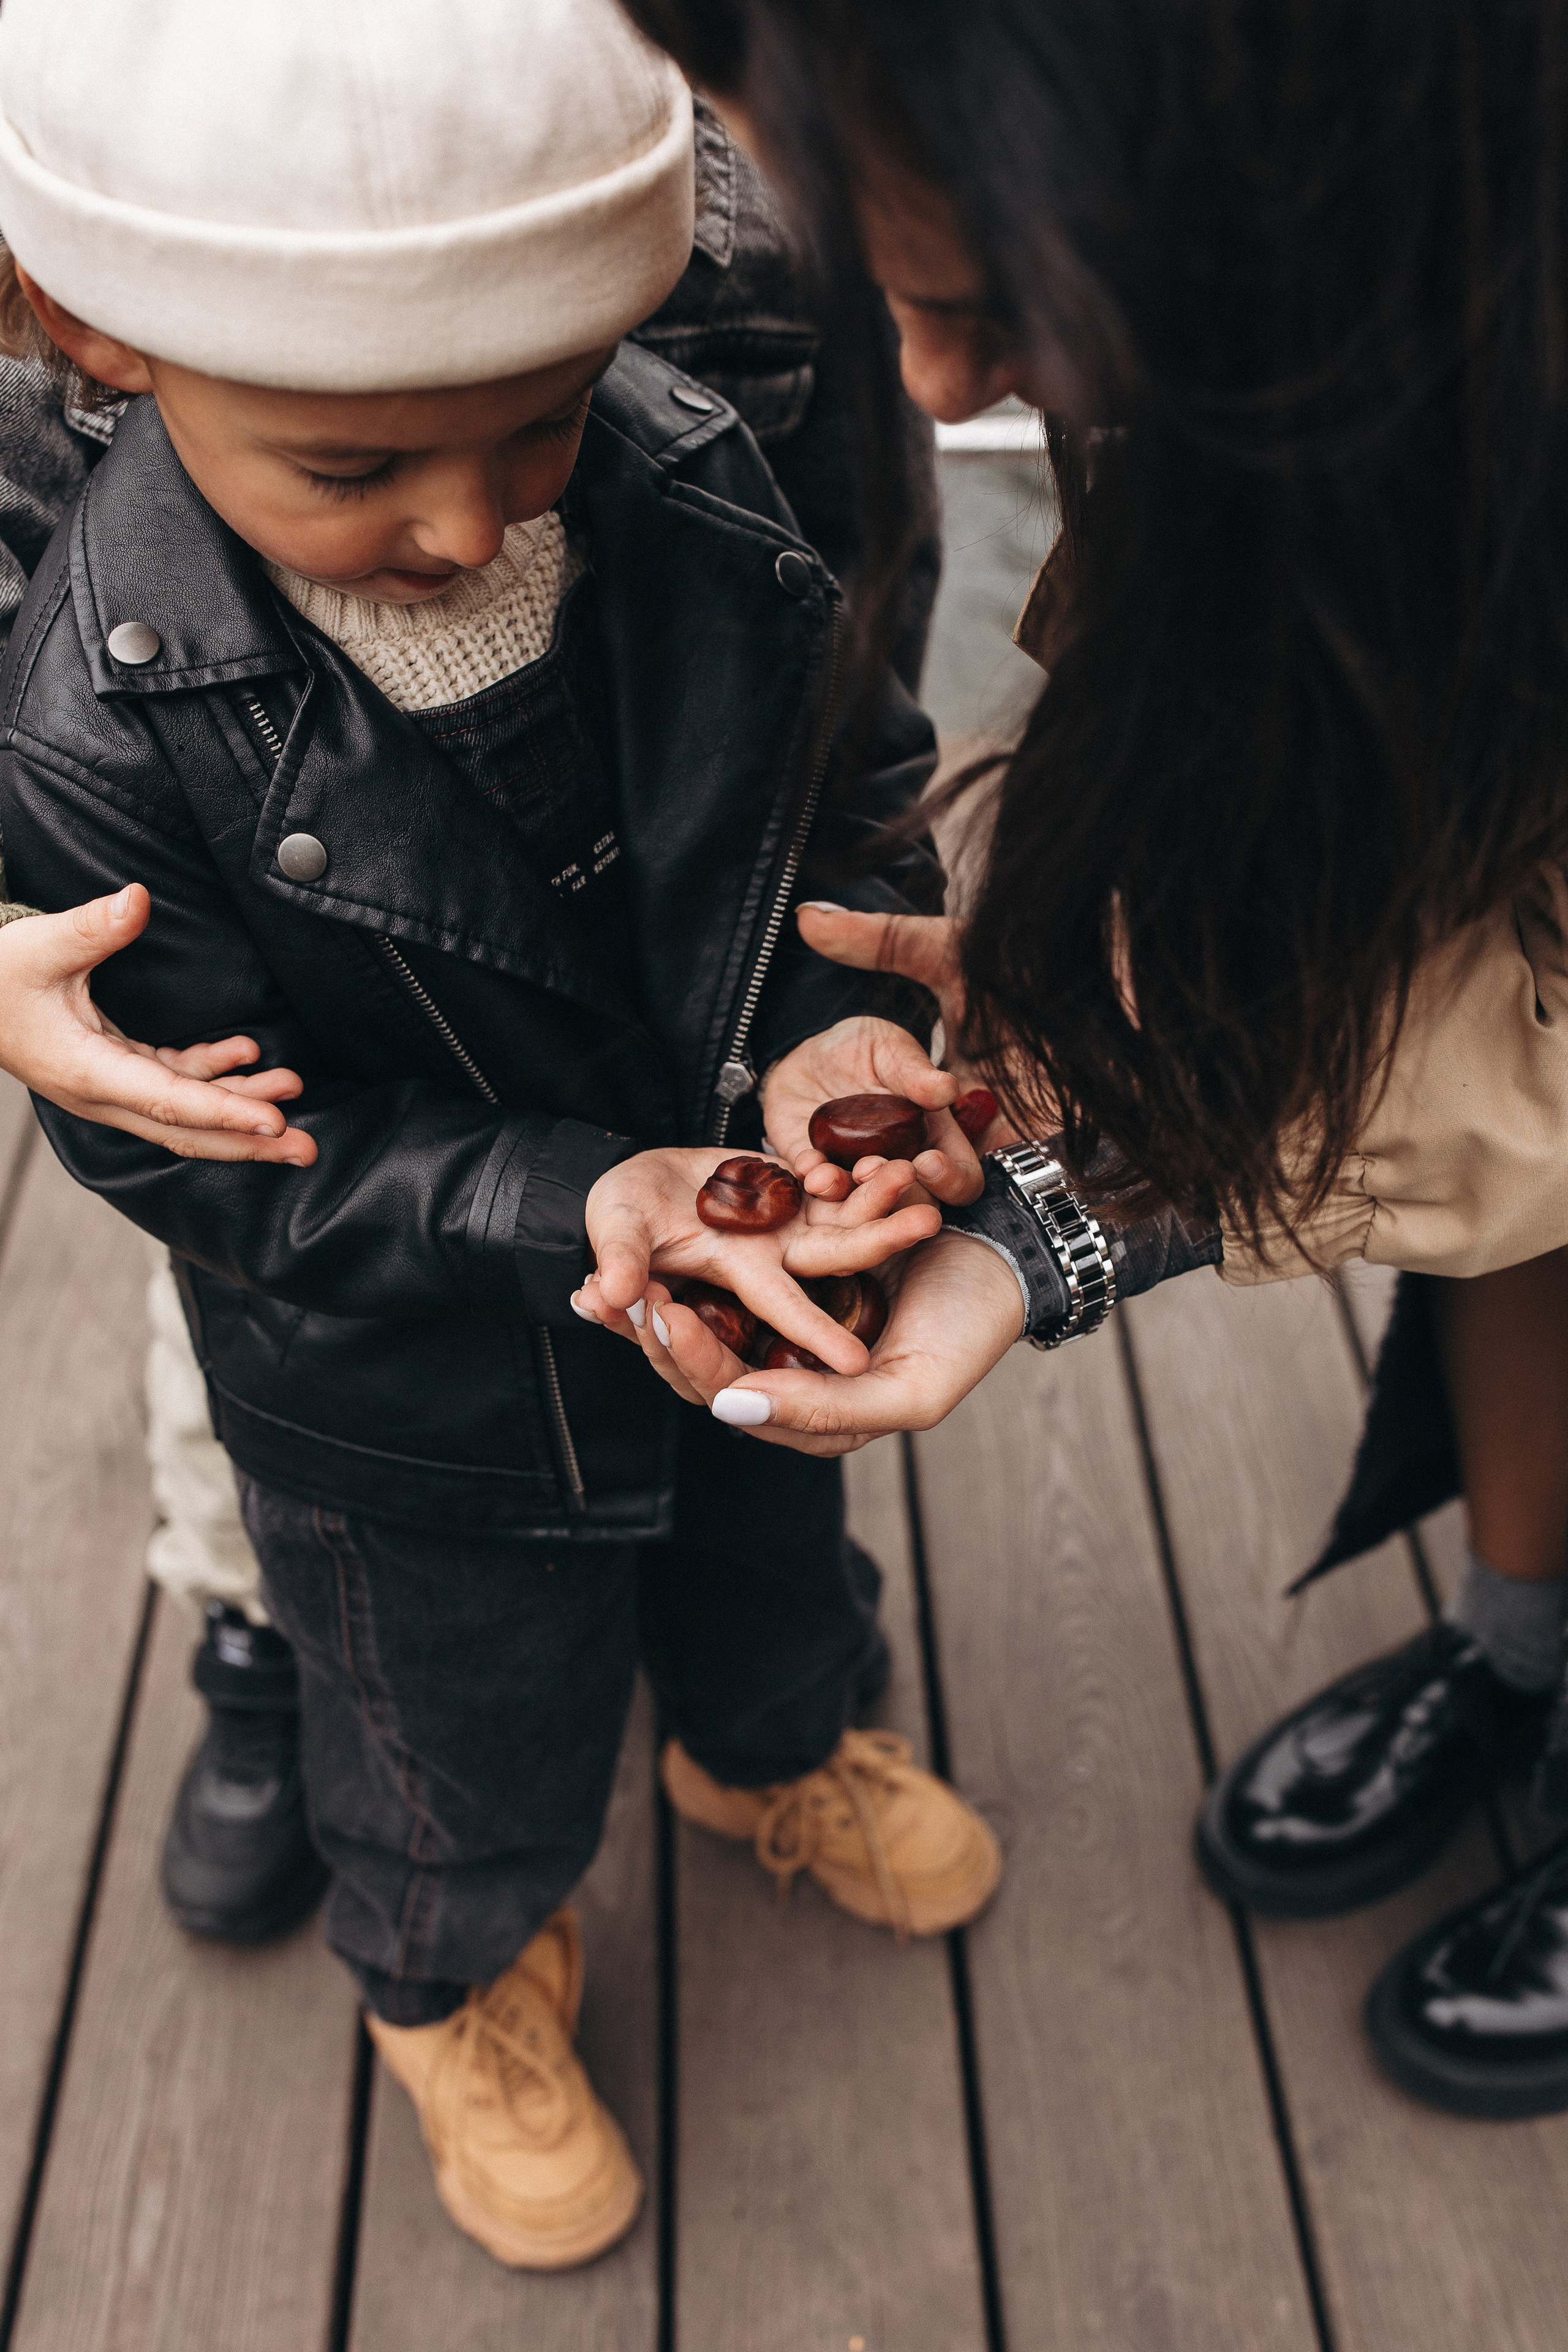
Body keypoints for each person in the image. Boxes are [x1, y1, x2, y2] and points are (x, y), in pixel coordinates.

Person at [0, 0, 1005, 2268]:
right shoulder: (97, 715)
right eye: (350, 471)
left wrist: (843, 1014)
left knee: (773, 1553)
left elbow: (841, 771)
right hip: (405, 1374)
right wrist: (580, 1197)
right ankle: (459, 1977)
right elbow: (213, 1142)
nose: (461, 520)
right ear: (104, 341)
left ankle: (766, 1747)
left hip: (739, 1250)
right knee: (447, 1717)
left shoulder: (694, 467)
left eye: (534, 420)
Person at [595, 0, 1568, 2119]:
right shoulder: (1338, 341)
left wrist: (1092, 1202)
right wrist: (1166, 967)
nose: (939, 391)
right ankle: (1525, 1649)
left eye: (992, 296)